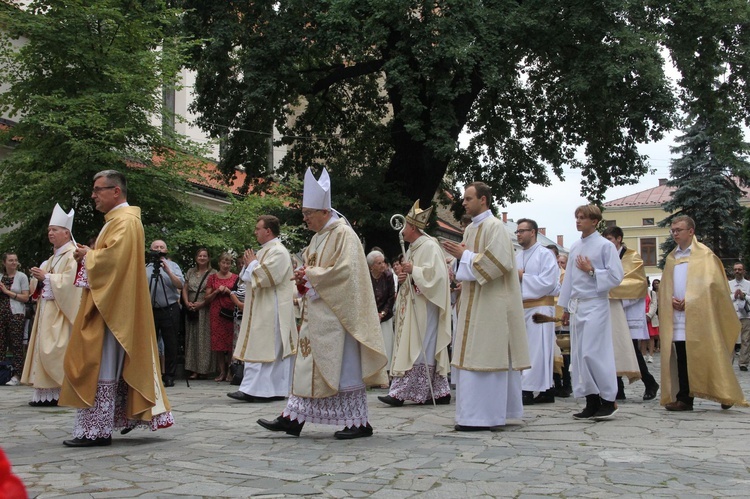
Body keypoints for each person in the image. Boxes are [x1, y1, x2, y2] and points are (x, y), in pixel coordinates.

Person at [257, 167, 387, 440]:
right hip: (317, 313)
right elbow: (312, 271)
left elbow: (347, 272)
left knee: (344, 369)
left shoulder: (344, 234)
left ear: (324, 212)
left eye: (308, 214)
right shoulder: (317, 238)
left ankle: (359, 422)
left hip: (340, 317)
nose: (304, 219)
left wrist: (311, 276)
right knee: (307, 368)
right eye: (304, 214)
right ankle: (294, 417)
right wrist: (303, 279)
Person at [60, 170, 173, 447]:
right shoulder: (117, 221)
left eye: (98, 190)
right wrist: (90, 255)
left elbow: (113, 261)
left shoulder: (125, 221)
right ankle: (101, 424)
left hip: (112, 309)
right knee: (101, 362)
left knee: (102, 363)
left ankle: (96, 430)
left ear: (116, 192)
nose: (93, 195)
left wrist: (89, 255)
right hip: (110, 302)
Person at [442, 182, 530, 431]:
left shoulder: (496, 228)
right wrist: (457, 262)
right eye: (464, 198)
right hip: (472, 301)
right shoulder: (469, 229)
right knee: (471, 357)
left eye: (469, 198)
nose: (464, 202)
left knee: (486, 355)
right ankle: (470, 415)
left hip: (492, 304)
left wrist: (465, 257)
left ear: (483, 200)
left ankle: (486, 416)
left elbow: (499, 263)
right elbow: (467, 266)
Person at [659, 215, 748, 411]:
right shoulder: (672, 257)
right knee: (682, 356)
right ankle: (684, 398)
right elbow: (665, 286)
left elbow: (713, 287)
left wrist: (690, 301)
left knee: (710, 354)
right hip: (678, 316)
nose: (675, 233)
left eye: (678, 230)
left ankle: (725, 393)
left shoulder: (705, 256)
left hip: (701, 316)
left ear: (690, 231)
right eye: (673, 230)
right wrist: (669, 299)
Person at [379, 200, 452, 406]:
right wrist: (404, 277)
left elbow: (437, 278)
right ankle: (436, 392)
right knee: (412, 345)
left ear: (412, 227)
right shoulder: (411, 248)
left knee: (420, 347)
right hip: (412, 306)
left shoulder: (430, 246)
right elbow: (410, 277)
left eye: (405, 227)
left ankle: (403, 392)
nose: (402, 231)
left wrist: (414, 272)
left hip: (425, 306)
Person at [558, 204, 624, 420]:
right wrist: (565, 306)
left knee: (594, 352)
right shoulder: (576, 246)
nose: (578, 221)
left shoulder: (605, 246)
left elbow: (616, 277)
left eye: (582, 218)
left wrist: (593, 271)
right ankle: (591, 399)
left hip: (596, 303)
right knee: (579, 354)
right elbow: (568, 278)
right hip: (578, 305)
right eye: (576, 217)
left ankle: (608, 399)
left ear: (594, 221)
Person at [229, 215, 297, 402]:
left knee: (267, 350)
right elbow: (247, 277)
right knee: (260, 347)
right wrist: (251, 265)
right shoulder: (264, 251)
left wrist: (251, 264)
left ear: (268, 231)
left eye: (258, 228)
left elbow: (267, 278)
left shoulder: (279, 251)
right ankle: (257, 389)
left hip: (272, 309)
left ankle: (263, 390)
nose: (255, 232)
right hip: (260, 307)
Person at [21, 204, 82, 406]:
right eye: (49, 230)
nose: (50, 233)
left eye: (54, 230)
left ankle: (60, 392)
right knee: (43, 348)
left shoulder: (73, 255)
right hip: (46, 311)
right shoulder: (52, 258)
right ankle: (45, 392)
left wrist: (47, 277)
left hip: (61, 314)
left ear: (66, 233)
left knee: (56, 350)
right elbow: (38, 287)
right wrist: (38, 278)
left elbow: (71, 283)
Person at [603, 226, 659, 401]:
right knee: (611, 349)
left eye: (610, 239)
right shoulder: (604, 257)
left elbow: (637, 284)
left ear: (619, 239)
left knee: (630, 350)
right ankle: (618, 388)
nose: (607, 243)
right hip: (609, 308)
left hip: (627, 308)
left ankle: (649, 382)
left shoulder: (632, 257)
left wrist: (611, 292)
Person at [515, 218, 560, 405]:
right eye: (516, 232)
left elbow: (549, 282)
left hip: (539, 308)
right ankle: (546, 390)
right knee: (525, 350)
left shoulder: (545, 255)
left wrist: (523, 277)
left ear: (533, 232)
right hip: (521, 307)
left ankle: (527, 389)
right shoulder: (517, 256)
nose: (518, 234)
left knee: (537, 350)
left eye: (522, 231)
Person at [145, 240, 184, 387]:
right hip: (151, 309)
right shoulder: (146, 268)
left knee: (171, 343)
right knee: (150, 343)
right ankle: (151, 374)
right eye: (156, 247)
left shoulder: (173, 266)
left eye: (162, 247)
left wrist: (167, 270)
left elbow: (180, 284)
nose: (159, 249)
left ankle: (169, 375)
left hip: (170, 308)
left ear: (166, 250)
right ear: (151, 250)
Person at [182, 248, 217, 379]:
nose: (202, 258)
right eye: (200, 256)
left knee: (204, 338)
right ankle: (193, 369)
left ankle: (205, 369)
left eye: (205, 256)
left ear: (208, 258)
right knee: (192, 338)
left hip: (205, 308)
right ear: (196, 258)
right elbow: (185, 288)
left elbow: (213, 293)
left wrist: (201, 304)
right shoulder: (190, 271)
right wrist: (186, 302)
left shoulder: (213, 273)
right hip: (191, 307)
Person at [204, 252, 238, 382]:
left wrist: (228, 291)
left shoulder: (236, 277)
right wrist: (217, 291)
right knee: (218, 344)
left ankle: (230, 371)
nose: (225, 265)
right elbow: (206, 297)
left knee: (230, 343)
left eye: (228, 263)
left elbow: (239, 294)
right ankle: (221, 372)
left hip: (230, 311)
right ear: (219, 263)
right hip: (216, 312)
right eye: (223, 262)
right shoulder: (212, 278)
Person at [0, 252, 30, 386]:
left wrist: (7, 292)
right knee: (1, 344)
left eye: (15, 260)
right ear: (4, 262)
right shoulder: (0, 277)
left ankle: (18, 374)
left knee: (16, 344)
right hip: (2, 313)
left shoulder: (21, 277)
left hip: (16, 313)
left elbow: (25, 297)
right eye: (10, 260)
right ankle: (2, 372)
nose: (13, 263)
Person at [368, 250, 396, 374]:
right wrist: (373, 313)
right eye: (379, 263)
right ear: (371, 266)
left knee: (387, 343)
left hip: (385, 315)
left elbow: (391, 297)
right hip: (369, 315)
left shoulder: (388, 276)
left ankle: (386, 373)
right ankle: (372, 373)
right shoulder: (366, 277)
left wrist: (383, 313)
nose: (383, 265)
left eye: (383, 262)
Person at [730, 262, 750, 372]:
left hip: (746, 316)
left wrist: (744, 296)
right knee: (731, 340)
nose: (737, 271)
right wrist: (735, 296)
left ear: (743, 271)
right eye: (735, 269)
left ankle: (743, 363)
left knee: (745, 340)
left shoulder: (748, 284)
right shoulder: (729, 284)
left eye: (739, 269)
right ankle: (729, 361)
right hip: (732, 315)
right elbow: (725, 298)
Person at [644, 279, 660, 362]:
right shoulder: (639, 293)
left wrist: (649, 315)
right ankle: (643, 355)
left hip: (650, 317)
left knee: (651, 337)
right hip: (642, 317)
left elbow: (654, 305)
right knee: (642, 337)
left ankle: (650, 355)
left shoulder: (651, 293)